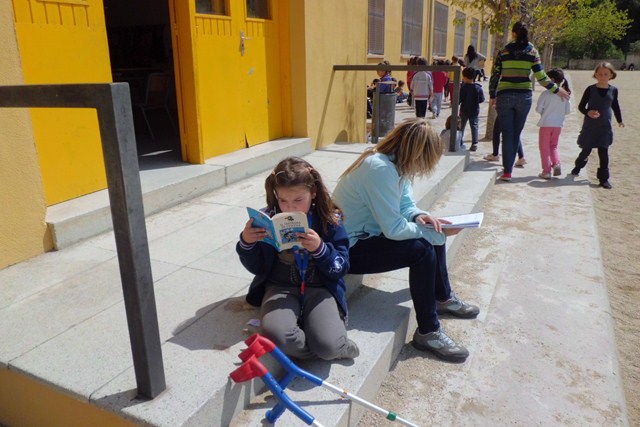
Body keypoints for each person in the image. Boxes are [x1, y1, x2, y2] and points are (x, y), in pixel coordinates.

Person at [332, 118, 480, 363]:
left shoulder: (396, 164)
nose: (424, 166)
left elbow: (405, 205)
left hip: (369, 235)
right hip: (348, 248)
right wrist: (438, 233)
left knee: (431, 228)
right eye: (426, 159)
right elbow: (393, 228)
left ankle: (442, 298)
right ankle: (428, 332)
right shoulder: (379, 168)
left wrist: (421, 217)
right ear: (416, 153)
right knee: (422, 248)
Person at [236, 157, 358, 360]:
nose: (290, 208)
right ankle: (325, 347)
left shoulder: (329, 219)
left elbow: (341, 267)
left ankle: (337, 346)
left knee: (327, 345)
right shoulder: (267, 219)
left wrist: (320, 249)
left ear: (313, 192)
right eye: (283, 200)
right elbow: (257, 268)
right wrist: (246, 243)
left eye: (298, 200)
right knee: (278, 337)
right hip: (280, 287)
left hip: (320, 288)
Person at [489, 21, 570, 182]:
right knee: (516, 134)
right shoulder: (532, 51)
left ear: (513, 33)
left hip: (504, 96)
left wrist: (492, 95)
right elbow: (541, 77)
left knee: (507, 134)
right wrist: (557, 89)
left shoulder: (503, 51)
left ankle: (507, 172)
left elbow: (495, 74)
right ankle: (510, 168)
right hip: (523, 97)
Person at [570, 62, 625, 189]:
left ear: (611, 75)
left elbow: (615, 106)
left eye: (606, 74)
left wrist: (619, 120)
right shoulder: (590, 89)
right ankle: (578, 166)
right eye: (599, 74)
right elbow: (581, 106)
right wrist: (588, 112)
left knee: (603, 152)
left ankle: (604, 179)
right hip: (590, 125)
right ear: (595, 75)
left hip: (605, 126)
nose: (602, 76)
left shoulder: (613, 90)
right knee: (586, 149)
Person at [535, 68, 572, 179]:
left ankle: (546, 171)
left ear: (551, 80)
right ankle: (556, 163)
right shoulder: (565, 94)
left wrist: (544, 112)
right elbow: (568, 111)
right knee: (554, 146)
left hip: (546, 124)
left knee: (544, 148)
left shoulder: (546, 94)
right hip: (558, 125)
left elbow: (538, 109)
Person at [459, 67, 485, 152]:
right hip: (474, 110)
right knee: (474, 126)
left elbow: (459, 99)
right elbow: (482, 99)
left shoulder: (463, 88)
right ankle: (474, 143)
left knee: (461, 126)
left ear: (465, 77)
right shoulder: (478, 88)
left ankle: (459, 142)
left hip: (464, 110)